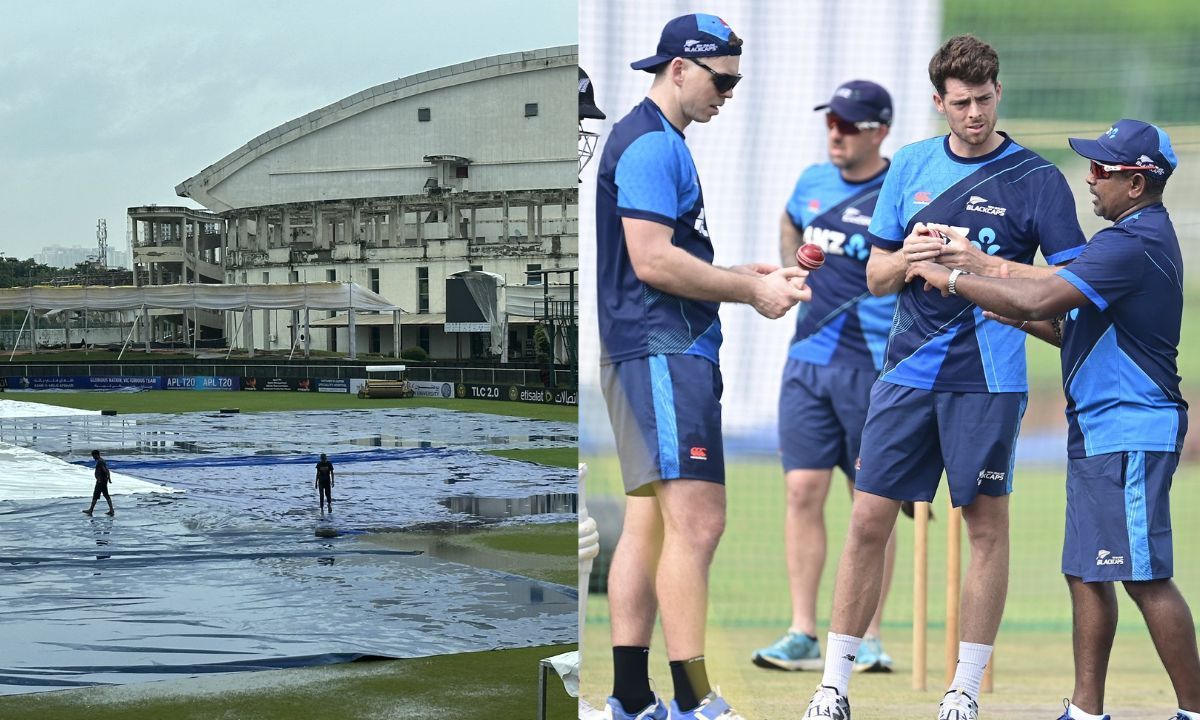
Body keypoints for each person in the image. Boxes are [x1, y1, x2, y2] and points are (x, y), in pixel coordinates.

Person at [804, 35, 1088, 720]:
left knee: (985, 527)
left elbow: (1072, 290)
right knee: (868, 519)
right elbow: (874, 278)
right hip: (904, 374)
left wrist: (973, 266)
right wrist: (910, 257)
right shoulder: (909, 166)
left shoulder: (1037, 179)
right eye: (960, 103)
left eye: (984, 100)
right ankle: (832, 687)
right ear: (939, 103)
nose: (974, 114)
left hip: (988, 381)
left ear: (998, 94)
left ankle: (962, 691)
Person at [906, 119, 1199, 720]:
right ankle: (1087, 710)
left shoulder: (1132, 242)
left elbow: (1042, 297)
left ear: (1138, 183)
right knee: (1086, 574)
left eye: (1102, 169)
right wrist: (994, 302)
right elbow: (1066, 327)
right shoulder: (1121, 240)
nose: (1090, 180)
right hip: (1098, 428)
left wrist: (959, 277)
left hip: (1131, 427)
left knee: (1143, 577)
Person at [595, 13, 809, 720]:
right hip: (661, 351)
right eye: (722, 79)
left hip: (647, 349)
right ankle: (692, 702)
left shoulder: (655, 140)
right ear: (680, 68)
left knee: (649, 526)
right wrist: (751, 290)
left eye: (737, 82)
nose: (729, 93)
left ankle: (631, 700)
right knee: (701, 524)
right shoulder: (653, 145)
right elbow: (651, 261)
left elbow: (665, 254)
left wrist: (730, 272)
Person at [752, 80, 900, 675]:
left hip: (875, 370)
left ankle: (869, 637)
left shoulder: (901, 191)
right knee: (799, 492)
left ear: (879, 131)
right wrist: (792, 273)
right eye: (831, 121)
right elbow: (790, 223)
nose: (835, 132)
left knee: (872, 507)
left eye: (849, 123)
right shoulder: (812, 182)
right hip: (807, 363)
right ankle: (802, 631)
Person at [84, 449, 114, 516]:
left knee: (96, 495)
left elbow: (105, 470)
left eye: (93, 456)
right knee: (105, 495)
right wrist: (109, 478)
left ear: (96, 455)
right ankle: (111, 510)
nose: (93, 457)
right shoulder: (101, 461)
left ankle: (90, 510)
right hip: (102, 481)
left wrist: (101, 479)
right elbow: (107, 470)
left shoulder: (100, 462)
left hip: (101, 482)